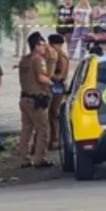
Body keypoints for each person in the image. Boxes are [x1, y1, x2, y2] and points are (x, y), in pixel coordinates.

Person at [18, 32, 53, 168]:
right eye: (43, 45)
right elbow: (41, 77)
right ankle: (40, 158)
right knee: (43, 128)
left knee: (26, 129)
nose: (45, 48)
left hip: (24, 99)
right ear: (36, 46)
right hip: (36, 100)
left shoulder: (24, 60)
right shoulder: (38, 59)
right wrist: (51, 84)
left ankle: (24, 158)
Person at [45, 34, 70, 150]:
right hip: (54, 87)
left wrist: (49, 76)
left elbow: (61, 76)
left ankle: (57, 140)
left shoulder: (62, 57)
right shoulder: (55, 55)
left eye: (51, 44)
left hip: (58, 87)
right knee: (51, 114)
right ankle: (52, 139)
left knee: (54, 114)